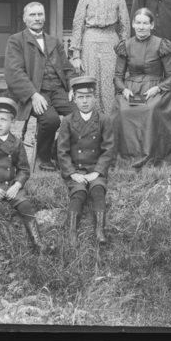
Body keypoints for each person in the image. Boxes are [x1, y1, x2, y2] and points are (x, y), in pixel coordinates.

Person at [113, 8, 171, 168]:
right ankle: (128, 156)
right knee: (123, 111)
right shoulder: (126, 46)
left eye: (145, 23)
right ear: (133, 24)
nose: (141, 27)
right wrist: (124, 89)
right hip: (131, 89)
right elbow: (117, 76)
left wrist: (158, 88)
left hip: (156, 89)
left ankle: (152, 157)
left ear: (152, 25)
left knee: (150, 110)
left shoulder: (161, 45)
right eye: (138, 23)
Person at [0, 97, 51, 255]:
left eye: (3, 120)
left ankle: (38, 244)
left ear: (12, 122)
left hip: (10, 185)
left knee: (26, 207)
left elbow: (24, 169)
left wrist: (16, 186)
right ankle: (8, 246)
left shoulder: (17, 143)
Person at [3, 1, 78, 171]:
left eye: (40, 14)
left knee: (81, 115)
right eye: (32, 15)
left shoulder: (54, 41)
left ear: (44, 17)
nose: (37, 18)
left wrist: (73, 87)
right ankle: (43, 158)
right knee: (51, 120)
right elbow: (14, 72)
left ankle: (56, 151)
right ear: (24, 19)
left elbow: (68, 69)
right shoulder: (16, 41)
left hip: (58, 90)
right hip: (35, 92)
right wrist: (33, 95)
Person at [56, 75, 116, 245]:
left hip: (95, 168)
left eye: (88, 96)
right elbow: (62, 151)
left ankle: (100, 232)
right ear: (74, 99)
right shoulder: (68, 121)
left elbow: (108, 149)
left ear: (95, 98)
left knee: (98, 191)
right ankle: (72, 233)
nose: (84, 101)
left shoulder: (103, 120)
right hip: (76, 169)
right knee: (78, 193)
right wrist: (72, 173)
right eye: (80, 97)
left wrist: (97, 172)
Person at [70, 0, 131, 114]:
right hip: (89, 42)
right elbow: (78, 26)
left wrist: (124, 53)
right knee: (90, 80)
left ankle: (110, 121)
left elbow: (124, 27)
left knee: (110, 81)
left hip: (111, 43)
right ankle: (91, 119)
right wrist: (76, 55)